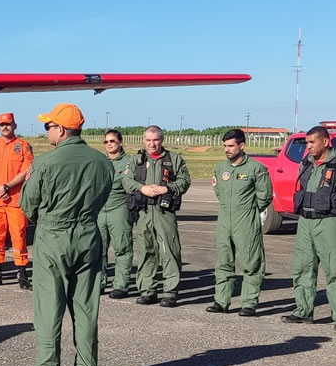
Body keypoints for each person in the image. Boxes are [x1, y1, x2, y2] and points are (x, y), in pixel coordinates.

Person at [15, 104, 112, 366]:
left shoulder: (46, 163)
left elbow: (27, 204)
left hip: (54, 237)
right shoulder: (102, 162)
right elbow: (104, 196)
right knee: (86, 311)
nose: (47, 132)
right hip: (88, 236)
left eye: (49, 127)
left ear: (61, 129)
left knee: (48, 310)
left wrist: (50, 219)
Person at [121, 125, 191, 307]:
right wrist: (141, 188)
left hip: (164, 212)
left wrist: (167, 188)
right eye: (148, 140)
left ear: (162, 140)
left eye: (156, 140)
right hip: (143, 212)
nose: (152, 144)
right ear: (143, 140)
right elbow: (126, 181)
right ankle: (147, 290)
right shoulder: (135, 161)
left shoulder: (174, 160)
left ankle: (170, 291)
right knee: (146, 251)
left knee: (169, 250)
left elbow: (184, 181)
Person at [207, 129, 272, 317]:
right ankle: (221, 300)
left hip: (246, 220)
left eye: (231, 146)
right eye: (225, 146)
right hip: (224, 220)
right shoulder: (220, 169)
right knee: (223, 262)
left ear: (241, 146)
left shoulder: (256, 168)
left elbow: (264, 195)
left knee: (251, 262)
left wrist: (249, 211)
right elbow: (218, 190)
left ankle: (249, 303)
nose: (227, 150)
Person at [282, 125, 336, 328]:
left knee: (334, 269)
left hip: (329, 221)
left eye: (313, 142)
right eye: (307, 142)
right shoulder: (306, 163)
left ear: (326, 141)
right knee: (303, 267)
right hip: (305, 221)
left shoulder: (335, 164)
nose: (309, 146)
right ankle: (303, 310)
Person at [0, 113, 34, 289]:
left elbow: (26, 171)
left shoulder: (23, 146)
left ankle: (22, 274)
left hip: (15, 200)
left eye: (8, 124)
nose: (5, 127)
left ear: (14, 126)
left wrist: (7, 187)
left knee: (19, 236)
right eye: (2, 125)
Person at [97, 129, 133, 299]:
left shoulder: (129, 162)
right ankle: (99, 282)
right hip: (99, 209)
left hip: (119, 208)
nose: (109, 144)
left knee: (122, 248)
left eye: (112, 141)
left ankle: (121, 285)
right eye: (106, 142)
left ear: (120, 142)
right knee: (98, 249)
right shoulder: (99, 161)